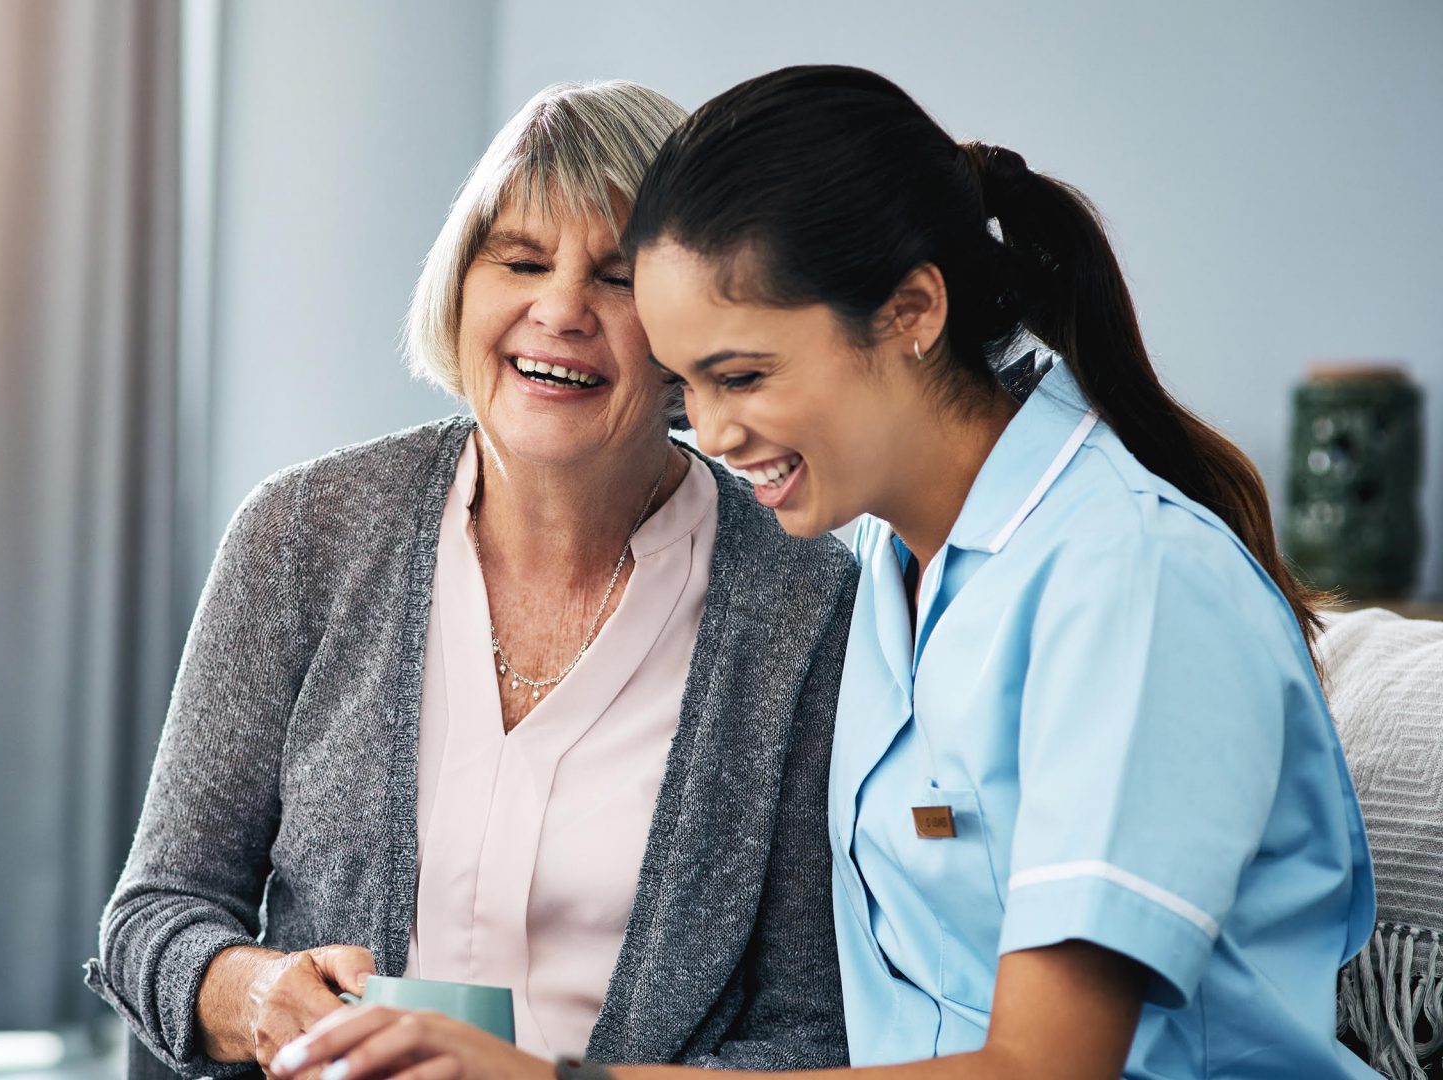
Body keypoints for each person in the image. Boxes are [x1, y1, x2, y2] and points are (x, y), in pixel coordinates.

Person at [273, 64, 1376, 1080]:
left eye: (742, 375)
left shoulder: (1129, 583)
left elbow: (1045, 1070)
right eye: (687, 382)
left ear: (911, 314)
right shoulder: (888, 571)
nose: (707, 428)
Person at [88, 79, 857, 1080]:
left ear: (690, 330)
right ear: (459, 287)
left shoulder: (802, 602)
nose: (560, 310)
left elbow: (810, 1035)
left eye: (618, 279)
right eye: (523, 261)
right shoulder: (303, 534)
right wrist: (254, 996)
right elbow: (149, 920)